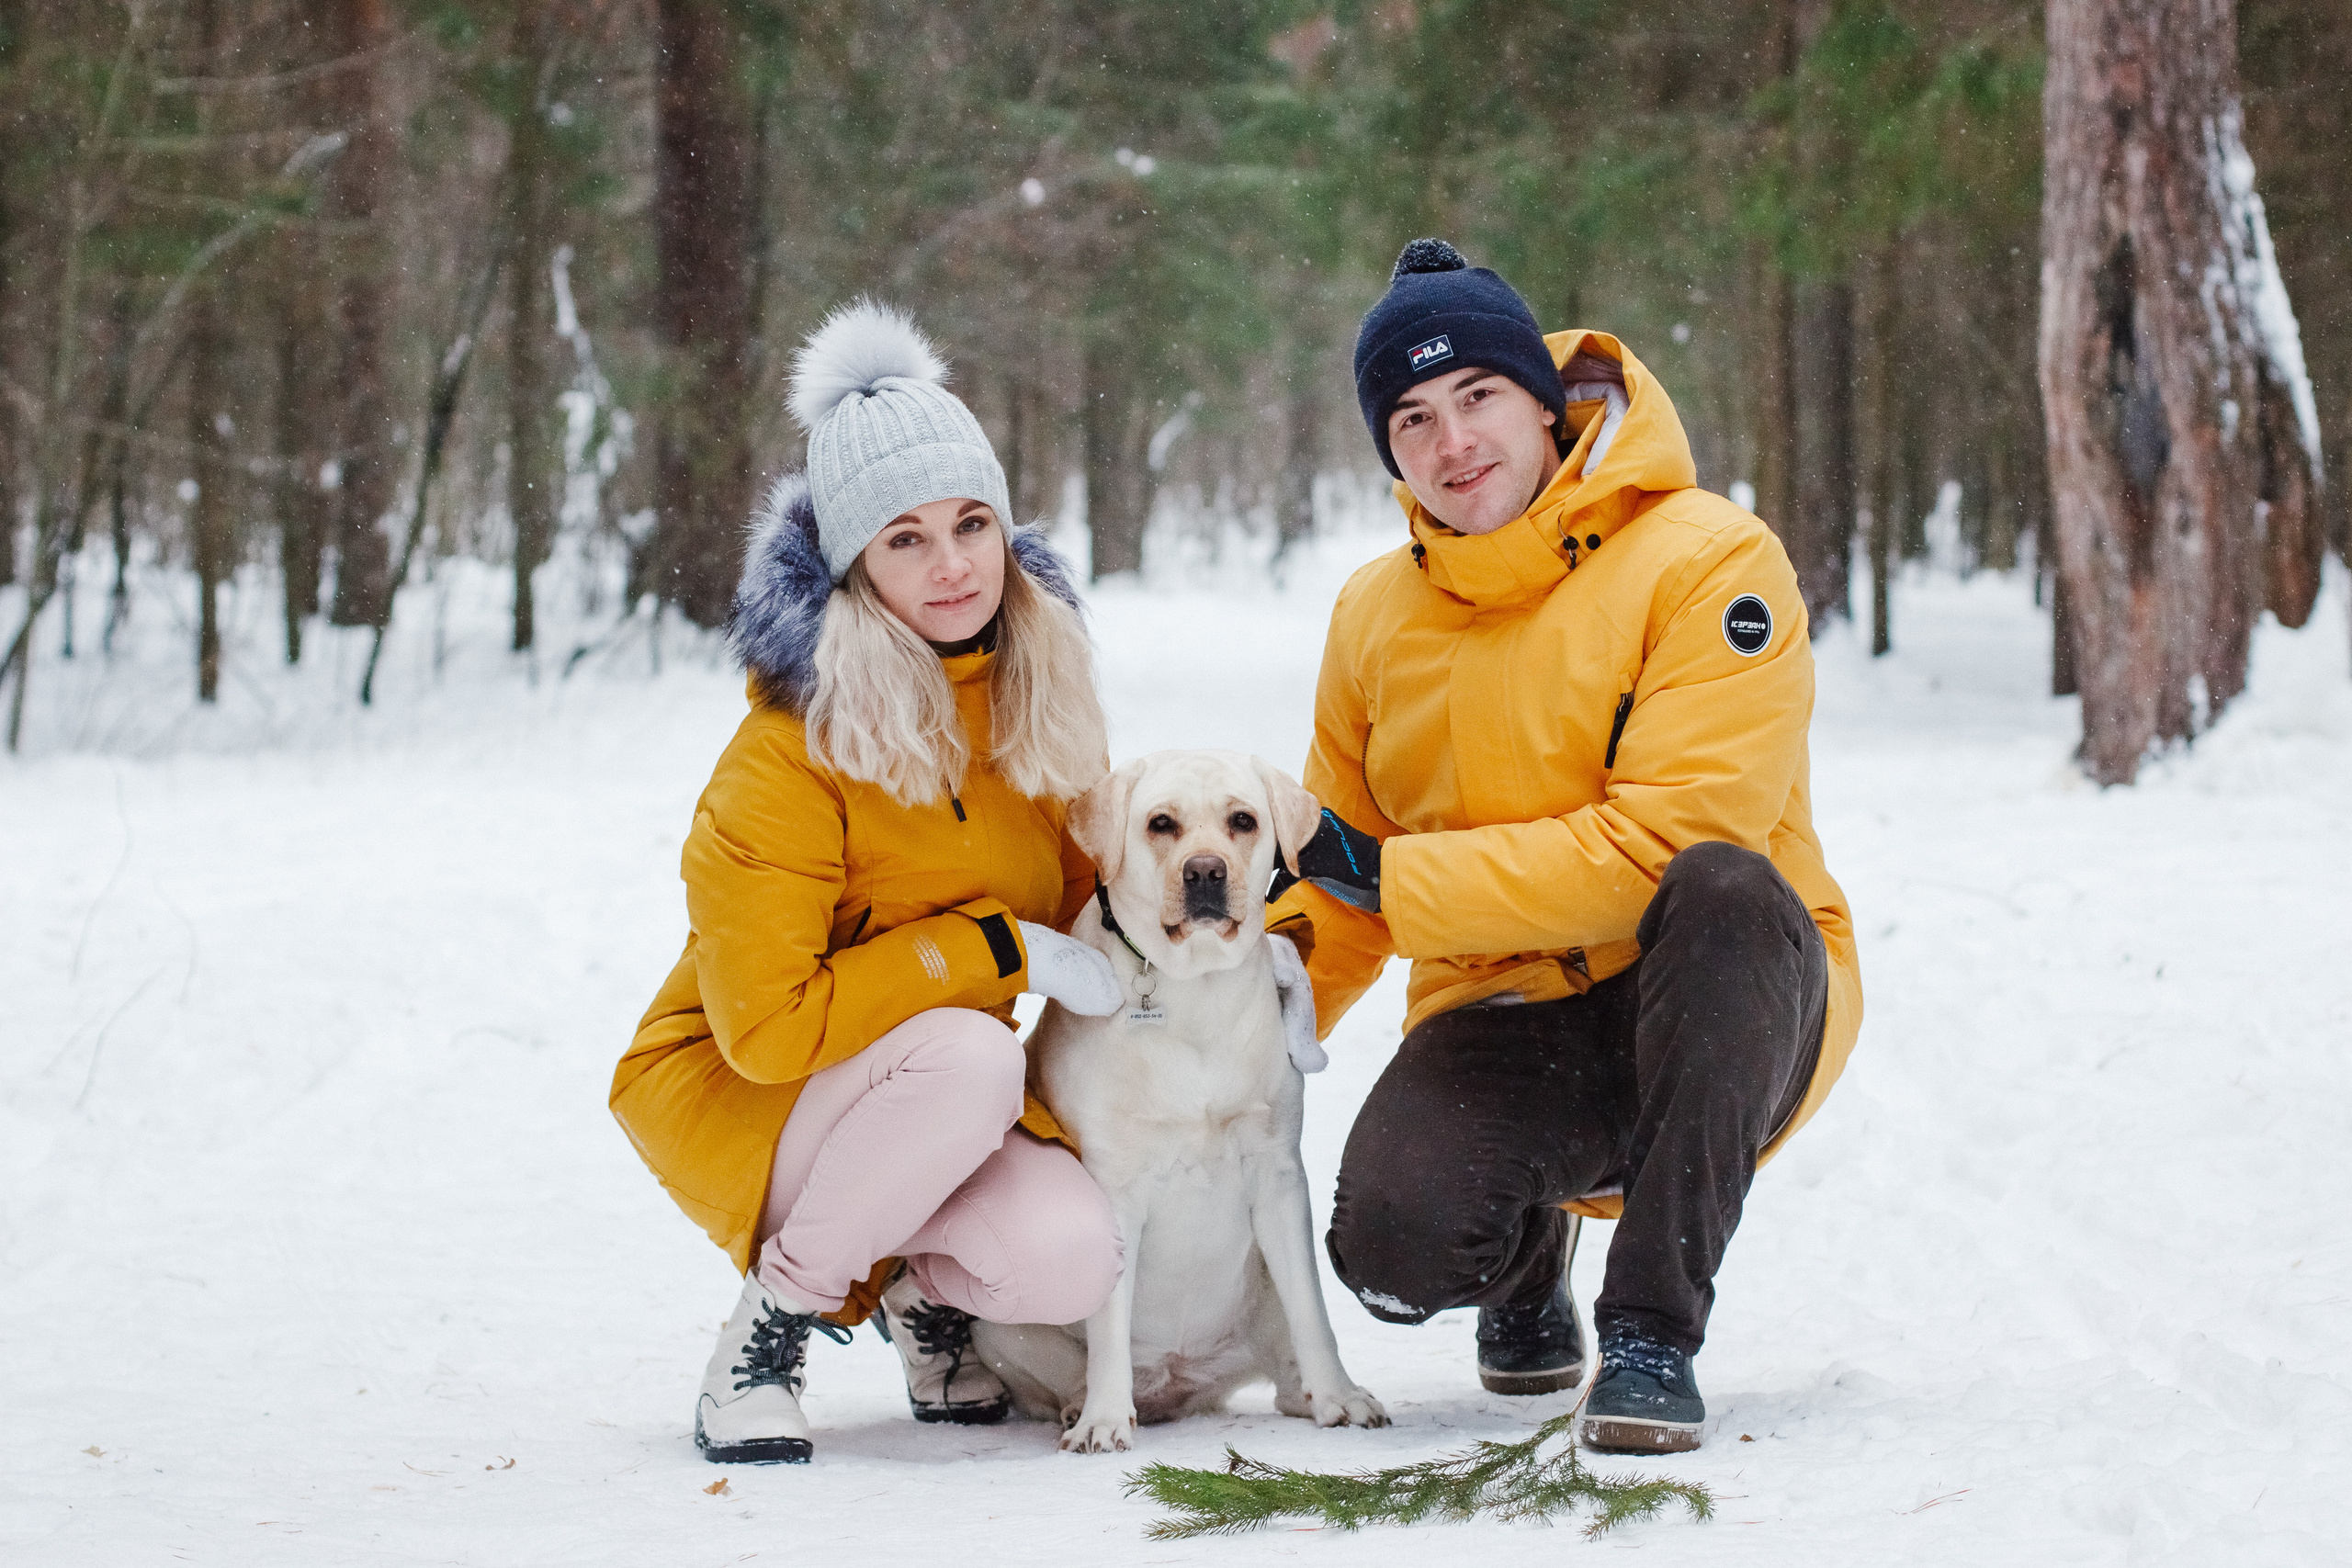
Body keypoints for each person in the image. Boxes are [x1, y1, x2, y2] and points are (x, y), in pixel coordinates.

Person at [1264, 239, 1864, 1454]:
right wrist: (1247, 1017)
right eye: (1413, 417)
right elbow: (1338, 870)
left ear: (1546, 401)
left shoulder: (1709, 557)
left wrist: (1391, 877)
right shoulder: (1373, 616)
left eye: (1479, 396)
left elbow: (1669, 838)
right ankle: (1526, 1249)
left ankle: (1650, 1331)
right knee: (1390, 1248)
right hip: (1506, 1011)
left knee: (1723, 885)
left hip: (1722, 990)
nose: (1453, 443)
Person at [610, 301, 1129, 1465]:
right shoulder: (786, 753)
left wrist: (1244, 908)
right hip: (749, 1089)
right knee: (972, 1049)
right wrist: (989, 954)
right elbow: (768, 1028)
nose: (952, 566)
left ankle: (915, 1293)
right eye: (905, 539)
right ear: (852, 565)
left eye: (971, 524)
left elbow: (1108, 910)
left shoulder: (1034, 706)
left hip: (938, 1101)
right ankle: (771, 1326)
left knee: (1069, 1254)